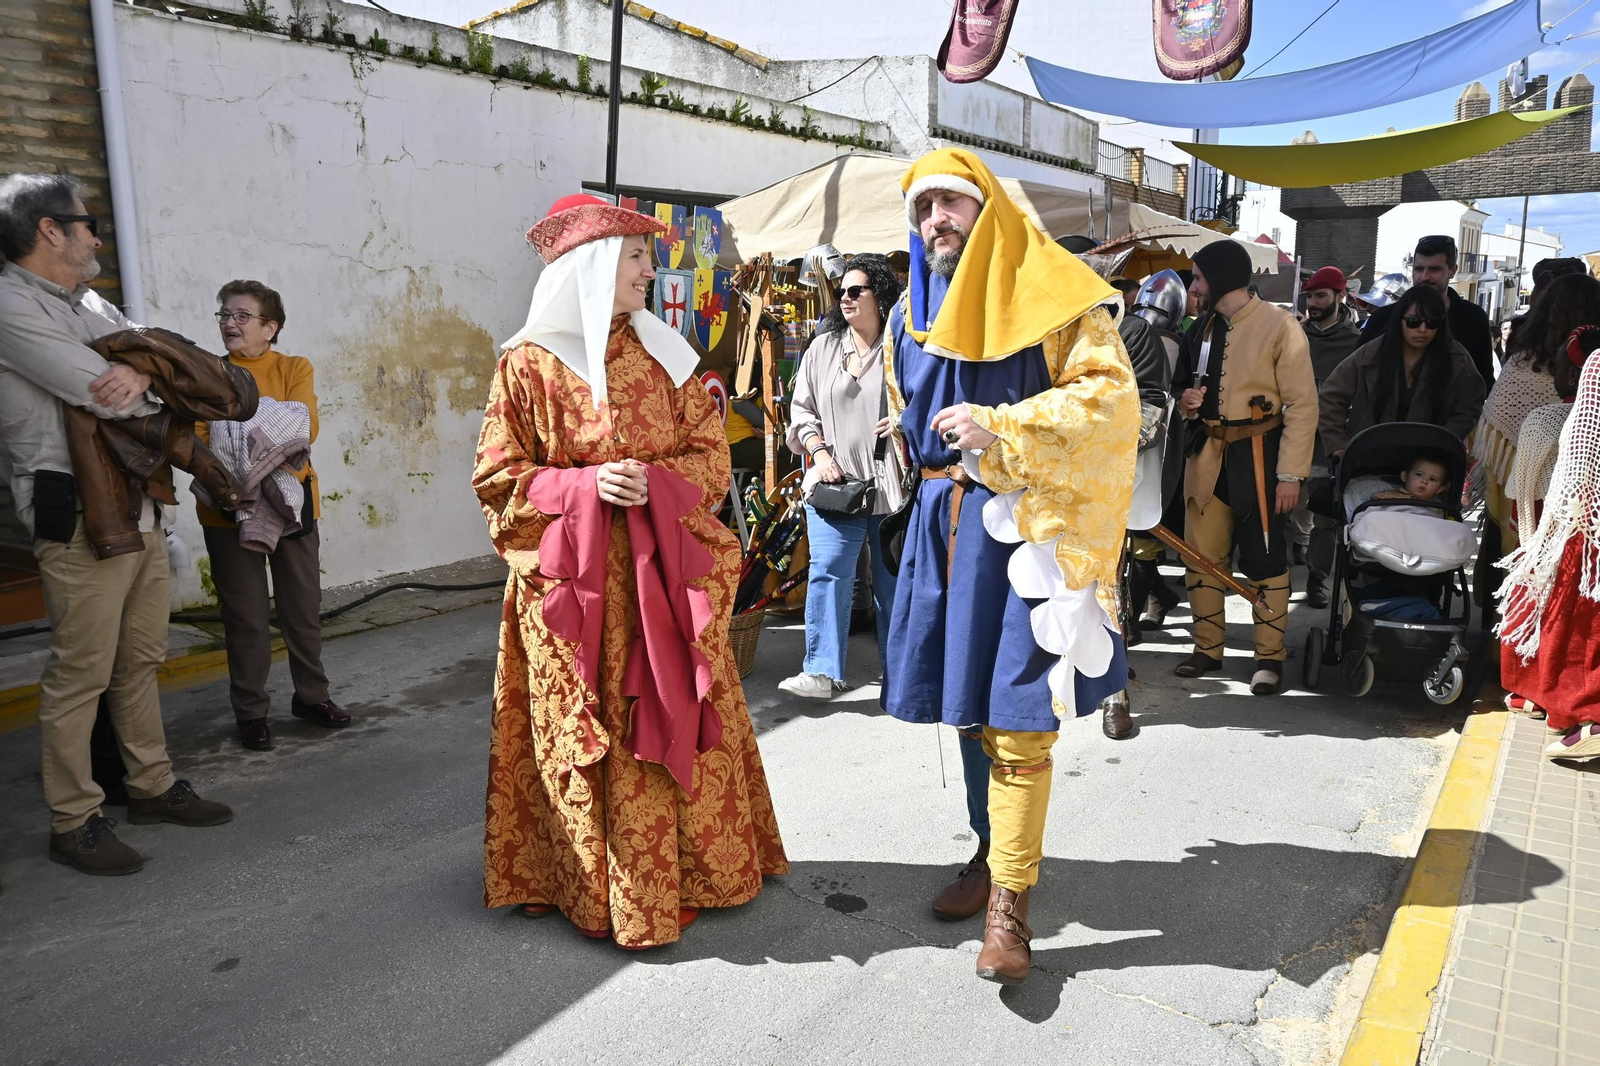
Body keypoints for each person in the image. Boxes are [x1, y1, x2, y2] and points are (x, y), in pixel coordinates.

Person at [472, 194, 786, 949]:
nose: (651, 270)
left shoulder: (666, 357)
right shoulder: (527, 366)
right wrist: (582, 486)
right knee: (575, 729)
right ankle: (566, 879)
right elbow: (497, 478)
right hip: (571, 592)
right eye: (637, 257)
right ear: (592, 266)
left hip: (658, 585)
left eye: (648, 256)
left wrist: (654, 483)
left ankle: (681, 877)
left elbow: (711, 459)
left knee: (670, 713)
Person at [882, 149, 1139, 984]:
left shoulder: (1055, 291)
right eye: (924, 208)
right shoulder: (907, 313)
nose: (937, 220)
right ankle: (990, 852)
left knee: (1019, 717)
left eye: (952, 202)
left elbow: (1111, 401)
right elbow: (908, 410)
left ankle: (1010, 908)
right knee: (965, 709)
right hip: (942, 529)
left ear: (986, 206)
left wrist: (1003, 426)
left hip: (1025, 532)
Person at [0, 173, 232, 877]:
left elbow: (182, 366)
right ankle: (74, 820)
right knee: (81, 672)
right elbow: (106, 396)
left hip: (139, 499)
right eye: (87, 224)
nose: (97, 238)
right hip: (74, 510)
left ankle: (151, 786)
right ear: (49, 230)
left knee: (140, 658)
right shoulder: (9, 303)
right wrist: (156, 376)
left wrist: (151, 372)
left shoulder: (87, 301)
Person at [197, 280, 347, 751]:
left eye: (242, 316)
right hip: (227, 505)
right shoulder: (207, 373)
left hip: (292, 501)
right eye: (225, 315)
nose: (230, 323)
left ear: (270, 327)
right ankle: (251, 712)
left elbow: (305, 426)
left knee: (302, 607)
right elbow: (199, 437)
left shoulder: (293, 367)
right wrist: (262, 433)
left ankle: (312, 697)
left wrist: (236, 432)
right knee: (245, 616)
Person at [1173, 239, 1317, 696]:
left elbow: (1303, 406)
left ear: (1220, 278)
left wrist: (1290, 475)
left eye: (1199, 278)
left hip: (1262, 457)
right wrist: (1187, 402)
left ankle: (1269, 659)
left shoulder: (1280, 326)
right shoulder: (1200, 330)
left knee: (1266, 559)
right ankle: (1207, 648)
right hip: (1208, 456)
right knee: (1201, 556)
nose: (1194, 288)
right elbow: (1182, 389)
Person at [781, 253, 904, 697]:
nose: (846, 298)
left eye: (856, 290)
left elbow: (929, 401)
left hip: (891, 488)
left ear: (880, 295)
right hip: (835, 485)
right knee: (829, 570)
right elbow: (801, 411)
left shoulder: (901, 347)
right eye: (841, 291)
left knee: (892, 585)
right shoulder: (823, 348)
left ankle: (902, 679)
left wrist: (904, 420)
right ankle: (821, 671)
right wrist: (818, 453)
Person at [1471, 274, 1600, 620]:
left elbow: (1496, 433)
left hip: (1526, 493)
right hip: (1583, 504)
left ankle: (1507, 631)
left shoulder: (1523, 364)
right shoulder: (1592, 372)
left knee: (1520, 563)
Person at [1497, 347, 1600, 761]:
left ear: (1572, 375)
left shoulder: (1547, 419)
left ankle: (1548, 698)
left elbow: (1532, 485)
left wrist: (1531, 534)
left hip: (1569, 522)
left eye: (1558, 368)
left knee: (1560, 614)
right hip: (1575, 521)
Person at [1317, 284, 1487, 459]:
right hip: (1369, 457)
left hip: (1428, 462)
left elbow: (1470, 405)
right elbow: (1330, 396)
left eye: (1432, 322)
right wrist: (1337, 444)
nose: (1422, 329)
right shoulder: (1371, 353)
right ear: (1400, 319)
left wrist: (1441, 443)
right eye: (1413, 322)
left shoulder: (1457, 358)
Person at [1293, 266, 1363, 608]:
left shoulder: (1357, 343)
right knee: (1285, 508)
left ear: (1340, 295)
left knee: (1324, 515)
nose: (1313, 303)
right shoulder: (1295, 336)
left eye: (1320, 295)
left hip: (1329, 440)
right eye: (1309, 296)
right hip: (1292, 435)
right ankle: (1285, 564)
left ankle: (1317, 578)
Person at [1363, 235, 1494, 389]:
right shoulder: (1384, 317)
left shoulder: (1473, 318)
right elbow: (1357, 372)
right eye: (1419, 269)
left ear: (1452, 271)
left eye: (1434, 269)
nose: (1424, 277)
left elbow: (1483, 380)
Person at [1373, 457, 1451, 502]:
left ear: (1439, 489)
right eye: (1419, 474)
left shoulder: (1438, 508)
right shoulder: (1390, 496)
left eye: (1432, 479)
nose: (1424, 481)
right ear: (1404, 476)